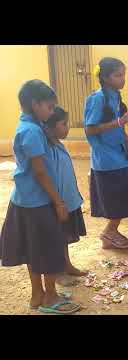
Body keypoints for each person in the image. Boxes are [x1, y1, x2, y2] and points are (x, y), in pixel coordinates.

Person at [0, 80, 80, 314]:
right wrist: (58, 201)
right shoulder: (33, 132)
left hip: (24, 199)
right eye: (49, 107)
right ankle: (50, 297)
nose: (52, 112)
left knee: (34, 249)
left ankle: (38, 295)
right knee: (49, 248)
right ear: (35, 104)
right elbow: (40, 170)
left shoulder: (27, 126)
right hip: (39, 201)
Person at [84, 57, 128, 250]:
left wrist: (125, 138)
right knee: (120, 196)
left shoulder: (115, 96)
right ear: (105, 77)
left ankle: (111, 233)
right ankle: (109, 232)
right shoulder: (97, 99)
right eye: (118, 75)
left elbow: (115, 123)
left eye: (123, 74)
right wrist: (120, 122)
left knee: (125, 196)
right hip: (105, 158)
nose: (123, 79)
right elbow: (90, 129)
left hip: (117, 154)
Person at [45, 107, 88, 285]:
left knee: (63, 237)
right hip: (57, 202)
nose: (67, 127)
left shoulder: (58, 145)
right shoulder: (47, 149)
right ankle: (58, 274)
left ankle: (67, 265)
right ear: (50, 127)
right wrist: (58, 202)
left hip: (67, 200)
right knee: (55, 239)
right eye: (64, 124)